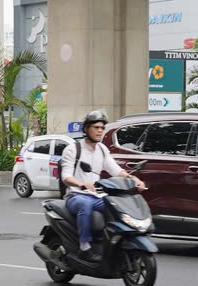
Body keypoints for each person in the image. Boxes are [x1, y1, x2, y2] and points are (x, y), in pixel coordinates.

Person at [60, 110, 146, 260]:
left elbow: (115, 170)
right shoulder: (73, 149)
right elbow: (66, 175)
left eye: (102, 128)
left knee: (118, 206)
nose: (100, 131)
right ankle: (84, 246)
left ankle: (114, 243)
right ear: (86, 129)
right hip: (76, 195)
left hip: (96, 195)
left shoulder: (102, 150)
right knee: (84, 205)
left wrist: (133, 179)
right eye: (96, 127)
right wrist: (81, 184)